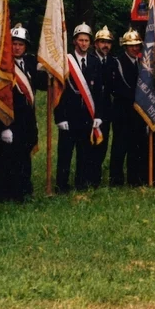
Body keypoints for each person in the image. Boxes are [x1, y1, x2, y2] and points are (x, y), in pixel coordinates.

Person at [0, 24, 42, 203]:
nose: (17, 47)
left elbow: (42, 83)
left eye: (21, 44)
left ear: (26, 46)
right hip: (10, 120)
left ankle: (24, 190)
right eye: (14, 44)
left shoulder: (30, 62)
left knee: (24, 155)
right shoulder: (3, 66)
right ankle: (5, 193)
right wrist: (4, 126)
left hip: (28, 119)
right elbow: (0, 98)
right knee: (7, 158)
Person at [54, 23, 102, 192]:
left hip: (87, 115)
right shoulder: (65, 62)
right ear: (75, 41)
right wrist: (59, 117)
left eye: (86, 40)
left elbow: (99, 92)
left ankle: (81, 184)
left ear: (90, 43)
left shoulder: (95, 62)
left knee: (84, 153)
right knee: (65, 153)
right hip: (69, 115)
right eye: (80, 40)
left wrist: (98, 115)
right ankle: (62, 185)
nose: (83, 43)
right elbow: (57, 91)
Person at [110, 29, 146, 187]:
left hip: (137, 113)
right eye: (131, 45)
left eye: (137, 45)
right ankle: (116, 181)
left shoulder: (141, 64)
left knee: (136, 147)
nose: (135, 48)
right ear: (125, 47)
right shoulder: (116, 62)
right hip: (122, 112)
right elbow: (117, 88)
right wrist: (137, 97)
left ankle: (134, 179)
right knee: (119, 147)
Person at [89, 26, 116, 188]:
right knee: (90, 145)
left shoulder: (113, 62)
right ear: (96, 44)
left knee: (103, 143)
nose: (105, 45)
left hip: (107, 110)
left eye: (108, 42)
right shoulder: (90, 60)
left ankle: (97, 178)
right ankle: (89, 178)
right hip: (90, 109)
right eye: (102, 42)